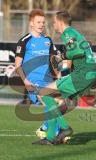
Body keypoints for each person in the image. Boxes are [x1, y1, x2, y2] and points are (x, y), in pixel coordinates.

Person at [33, 11, 96, 144]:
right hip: (87, 74)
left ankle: (64, 128)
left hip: (82, 74)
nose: (53, 24)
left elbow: (76, 51)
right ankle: (51, 138)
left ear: (60, 22)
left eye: (54, 22)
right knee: (59, 104)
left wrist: (60, 57)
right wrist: (62, 63)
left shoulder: (68, 33)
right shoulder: (74, 34)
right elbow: (78, 54)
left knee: (43, 93)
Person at [14, 9, 69, 145]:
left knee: (60, 102)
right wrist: (25, 80)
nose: (41, 24)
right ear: (31, 23)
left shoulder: (47, 40)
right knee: (50, 102)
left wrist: (59, 75)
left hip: (48, 80)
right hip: (33, 81)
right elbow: (17, 65)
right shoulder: (24, 41)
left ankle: (47, 129)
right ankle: (60, 130)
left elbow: (54, 60)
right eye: (38, 22)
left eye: (43, 22)